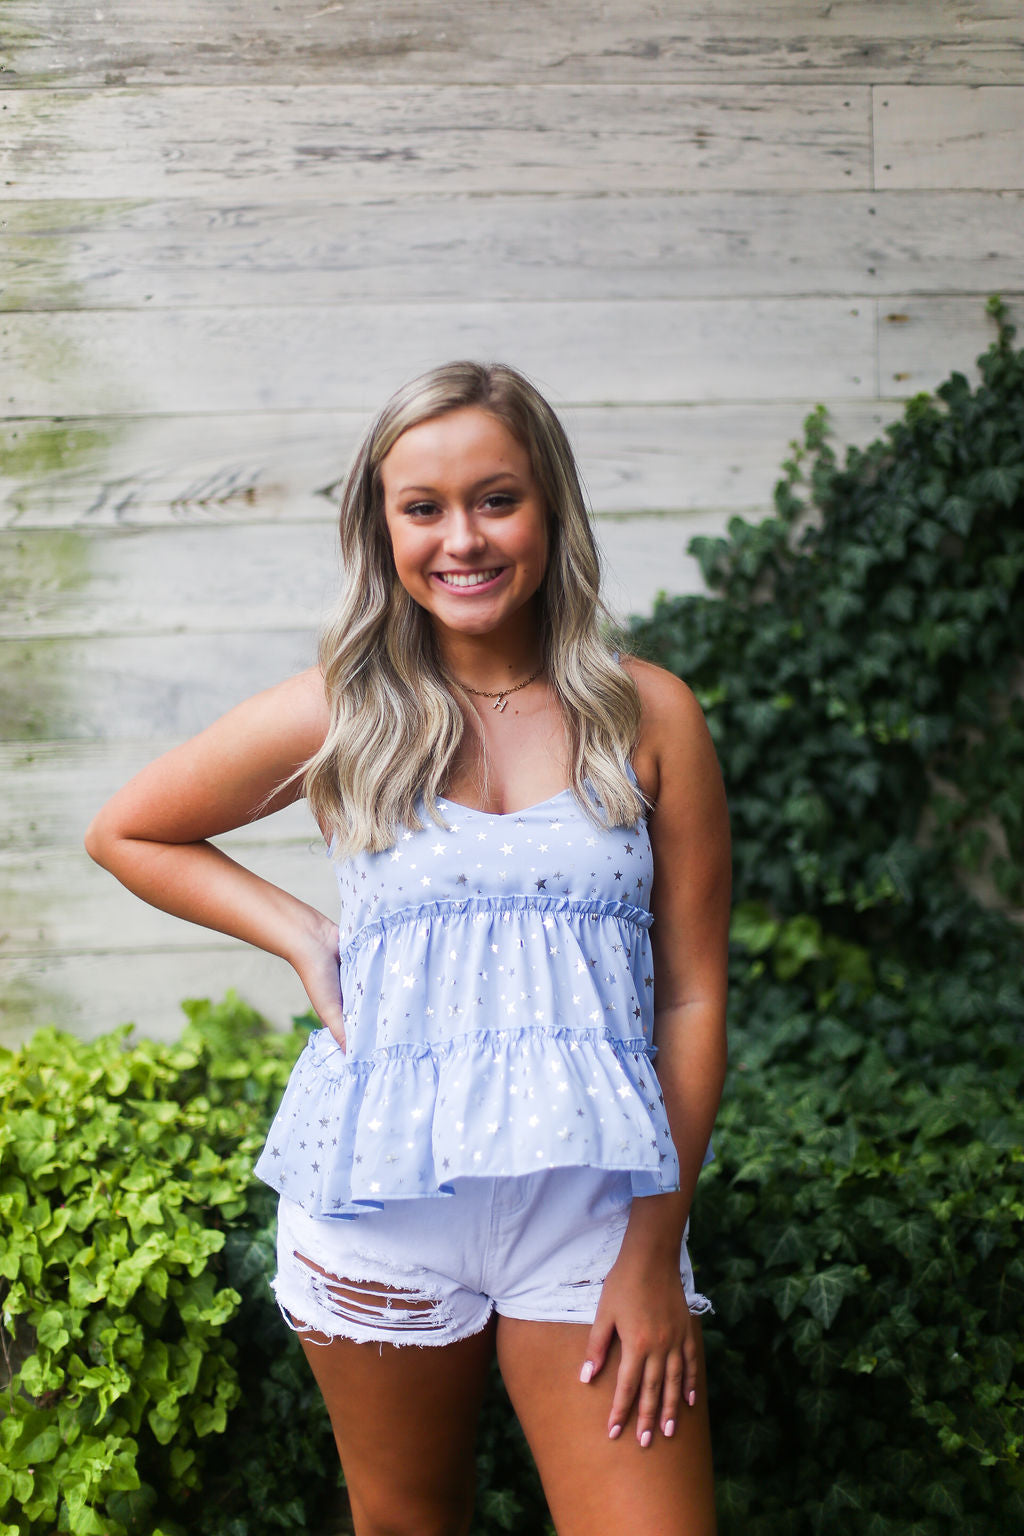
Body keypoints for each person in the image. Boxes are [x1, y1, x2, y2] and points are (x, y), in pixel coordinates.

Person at [85, 360, 730, 1536]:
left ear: (551, 510)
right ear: (381, 531)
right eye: (421, 507)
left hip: (592, 1207)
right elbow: (128, 829)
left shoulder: (652, 718)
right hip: (377, 1198)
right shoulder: (343, 711)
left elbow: (689, 1000)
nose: (461, 539)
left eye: (496, 498)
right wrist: (298, 932)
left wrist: (653, 1253)